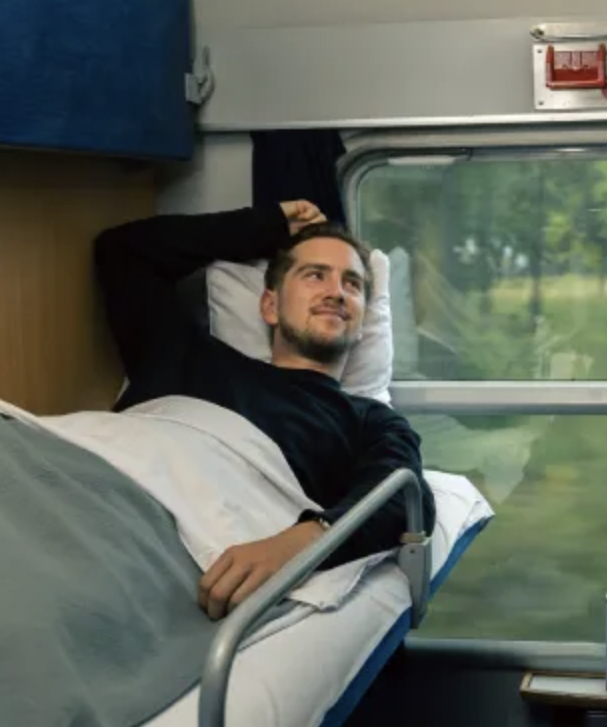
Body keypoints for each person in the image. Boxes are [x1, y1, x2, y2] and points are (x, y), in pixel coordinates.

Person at [94, 200, 434, 622]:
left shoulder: (368, 421)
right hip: (91, 485)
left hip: (151, 554)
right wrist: (265, 225)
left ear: (363, 320)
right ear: (269, 306)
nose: (335, 292)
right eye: (314, 275)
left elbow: (403, 496)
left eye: (352, 284)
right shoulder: (185, 355)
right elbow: (124, 250)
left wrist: (299, 543)